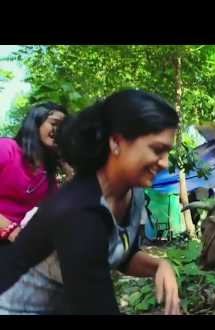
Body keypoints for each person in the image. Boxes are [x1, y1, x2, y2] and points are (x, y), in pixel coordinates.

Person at [0, 89, 181, 315]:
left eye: (167, 152)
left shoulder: (134, 193)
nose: (165, 163)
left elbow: (121, 254)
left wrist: (159, 266)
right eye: (157, 150)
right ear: (116, 142)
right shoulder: (79, 213)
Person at [0, 102, 68, 245]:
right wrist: (10, 229)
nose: (60, 131)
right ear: (36, 122)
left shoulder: (47, 176)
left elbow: (63, 209)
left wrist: (67, 165)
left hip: (11, 244)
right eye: (55, 123)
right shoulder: (7, 149)